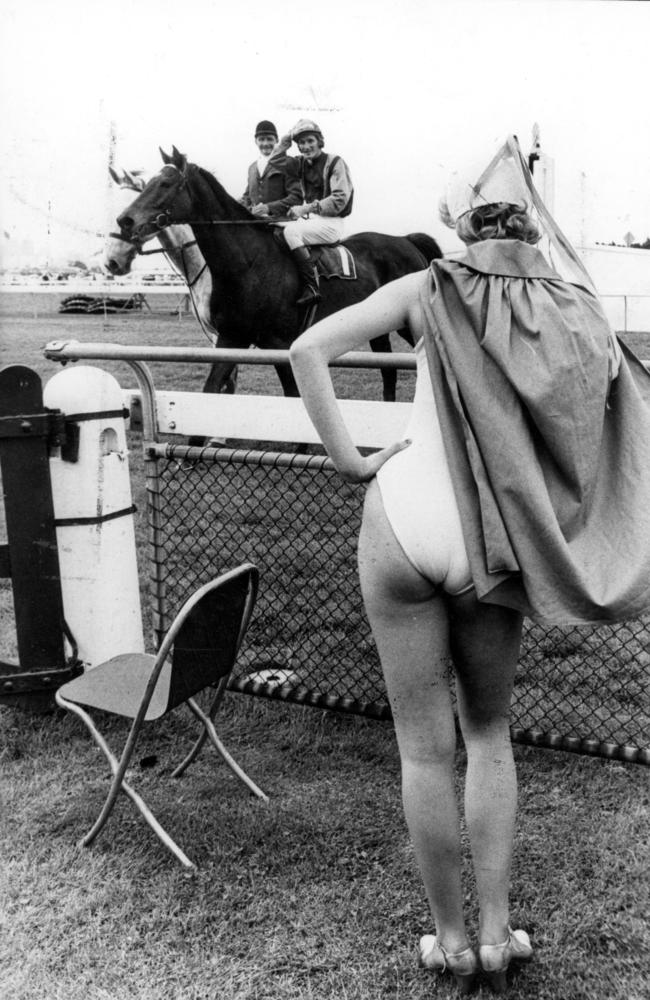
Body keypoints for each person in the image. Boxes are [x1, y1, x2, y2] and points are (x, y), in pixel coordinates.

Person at [289, 137, 650, 994]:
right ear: (528, 227)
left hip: (407, 508)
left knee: (423, 750)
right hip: (494, 531)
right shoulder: (576, 306)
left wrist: (349, 461)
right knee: (489, 735)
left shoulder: (429, 286)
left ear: (460, 228)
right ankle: (496, 934)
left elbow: (307, 353)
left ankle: (448, 939)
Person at [271, 119, 354, 306]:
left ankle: (312, 287)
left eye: (310, 141)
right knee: (273, 226)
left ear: (319, 141)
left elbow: (340, 199)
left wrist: (306, 208)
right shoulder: (299, 163)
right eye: (301, 142)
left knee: (291, 232)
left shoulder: (335, 162)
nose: (306, 146)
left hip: (331, 223)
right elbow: (274, 162)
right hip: (311, 221)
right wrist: (287, 138)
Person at [239, 120, 302, 221]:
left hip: (281, 222)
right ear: (256, 141)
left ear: (277, 140)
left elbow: (297, 198)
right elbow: (247, 198)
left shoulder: (288, 162)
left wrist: (269, 208)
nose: (265, 143)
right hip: (255, 223)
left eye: (269, 139)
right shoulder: (252, 168)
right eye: (261, 139)